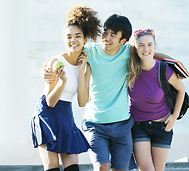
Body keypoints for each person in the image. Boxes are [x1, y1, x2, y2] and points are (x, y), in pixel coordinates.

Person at [42, 14, 173, 171]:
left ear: (122, 40)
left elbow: (149, 54)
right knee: (102, 167)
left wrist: (174, 63)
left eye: (113, 35)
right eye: (105, 32)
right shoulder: (90, 51)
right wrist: (44, 68)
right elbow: (69, 53)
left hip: (122, 124)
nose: (106, 37)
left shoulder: (128, 52)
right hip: (95, 123)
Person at [31, 5, 101, 171]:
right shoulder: (56, 62)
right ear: (64, 39)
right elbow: (50, 102)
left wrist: (81, 70)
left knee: (72, 169)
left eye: (78, 36)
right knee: (53, 168)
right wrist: (62, 83)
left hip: (66, 116)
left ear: (85, 39)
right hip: (47, 114)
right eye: (69, 37)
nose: (73, 40)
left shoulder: (86, 66)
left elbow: (83, 102)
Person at [127, 29, 185, 171]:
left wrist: (175, 116)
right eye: (141, 45)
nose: (146, 49)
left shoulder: (163, 70)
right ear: (135, 48)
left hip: (162, 126)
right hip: (138, 126)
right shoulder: (129, 69)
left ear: (155, 47)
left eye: (149, 45)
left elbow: (181, 89)